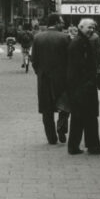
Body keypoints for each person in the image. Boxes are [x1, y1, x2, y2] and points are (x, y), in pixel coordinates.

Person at [66, 18, 100, 155]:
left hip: (81, 85)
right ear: (81, 27)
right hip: (83, 86)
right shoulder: (80, 43)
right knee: (87, 116)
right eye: (89, 27)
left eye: (93, 27)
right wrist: (89, 81)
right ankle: (91, 146)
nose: (91, 30)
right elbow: (80, 66)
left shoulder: (81, 41)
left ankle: (79, 146)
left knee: (82, 117)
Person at [30, 12, 71, 145]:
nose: (63, 24)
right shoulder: (65, 38)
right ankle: (62, 126)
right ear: (57, 23)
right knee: (65, 105)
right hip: (62, 78)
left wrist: (39, 72)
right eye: (62, 22)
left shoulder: (38, 38)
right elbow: (70, 59)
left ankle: (51, 138)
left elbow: (34, 60)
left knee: (47, 110)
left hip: (44, 78)